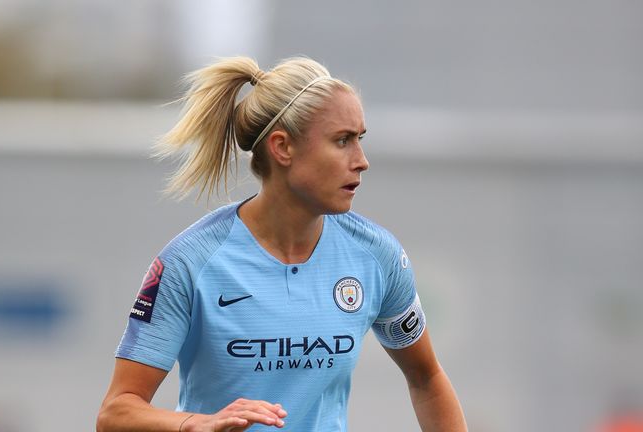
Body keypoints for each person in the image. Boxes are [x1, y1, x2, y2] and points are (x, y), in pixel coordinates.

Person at [96, 56, 467, 431]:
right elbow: (116, 413)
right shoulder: (190, 262)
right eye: (342, 141)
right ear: (282, 147)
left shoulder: (376, 255)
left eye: (360, 139)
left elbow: (427, 379)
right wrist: (197, 423)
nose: (362, 161)